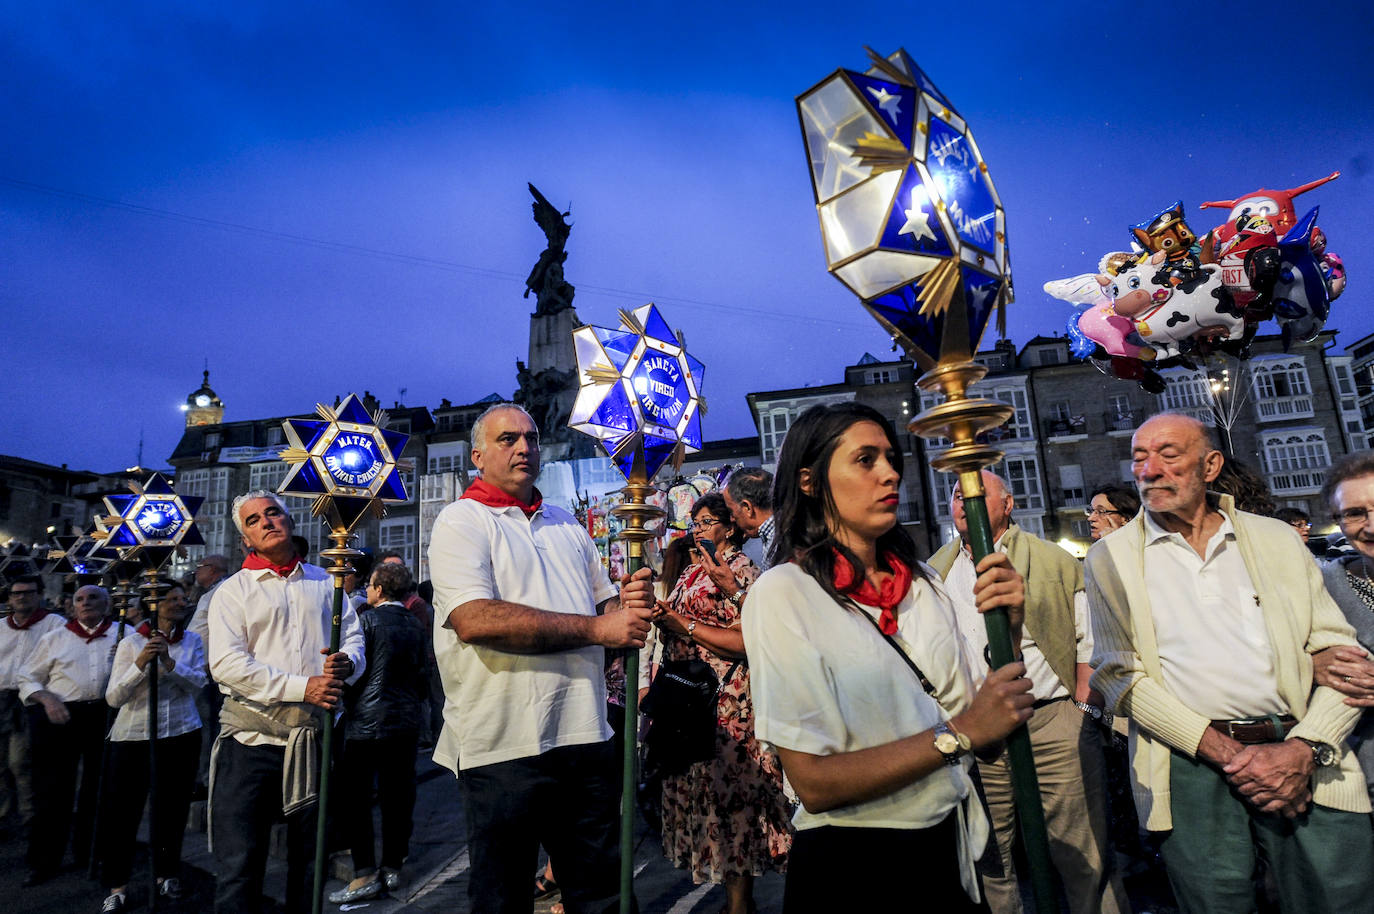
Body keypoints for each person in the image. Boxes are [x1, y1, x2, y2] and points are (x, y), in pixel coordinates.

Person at [742, 402, 1034, 911]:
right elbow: (814, 782)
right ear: (809, 481)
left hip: (950, 847)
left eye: (891, 458)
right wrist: (958, 734)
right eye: (865, 459)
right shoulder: (783, 593)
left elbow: (981, 734)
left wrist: (1006, 631)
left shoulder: (926, 584)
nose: (890, 472)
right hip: (856, 864)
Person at [1084, 412, 1374, 913]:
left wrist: (1303, 748)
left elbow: (1342, 659)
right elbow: (1117, 674)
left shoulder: (1275, 539)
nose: (1149, 470)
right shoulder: (1109, 557)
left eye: (1169, 455)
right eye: (1139, 458)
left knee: (1338, 897)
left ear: (1211, 464)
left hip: (1304, 754)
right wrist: (1227, 754)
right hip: (1190, 766)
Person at [427, 402, 655, 914]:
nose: (524, 447)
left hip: (585, 731)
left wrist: (633, 604)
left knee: (604, 894)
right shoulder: (461, 521)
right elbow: (476, 620)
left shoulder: (565, 523)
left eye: (530, 438)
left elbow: (607, 610)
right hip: (503, 742)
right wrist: (601, 627)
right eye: (508, 439)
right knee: (503, 896)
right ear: (478, 454)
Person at [928, 472, 1126, 914]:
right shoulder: (936, 569)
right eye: (958, 493)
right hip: (979, 729)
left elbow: (1087, 635)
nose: (965, 501)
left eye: (977, 493)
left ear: (1009, 503)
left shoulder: (1049, 559)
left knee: (1083, 848)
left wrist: (1079, 704)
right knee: (990, 854)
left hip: (1050, 719)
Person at [207, 490, 366, 914]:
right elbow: (226, 665)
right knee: (241, 863)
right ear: (246, 540)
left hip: (313, 742)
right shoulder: (233, 591)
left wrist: (350, 662)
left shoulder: (324, 581)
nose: (267, 522)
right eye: (254, 520)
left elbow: (352, 634)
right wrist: (303, 687)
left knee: (310, 861)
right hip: (251, 742)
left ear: (290, 520)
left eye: (273, 512)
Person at [651, 492, 791, 914]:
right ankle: (734, 900)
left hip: (727, 706)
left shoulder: (744, 571)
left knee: (732, 807)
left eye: (708, 520)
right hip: (690, 705)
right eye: (695, 521)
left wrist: (684, 625)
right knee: (706, 801)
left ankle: (739, 903)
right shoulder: (692, 570)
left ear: (730, 527)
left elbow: (749, 641)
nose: (698, 528)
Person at [98, 581, 206, 913]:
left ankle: (167, 872)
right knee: (123, 813)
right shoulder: (131, 642)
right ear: (154, 604)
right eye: (172, 599)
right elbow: (114, 697)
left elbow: (199, 684)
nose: (180, 603)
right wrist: (141, 663)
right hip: (134, 737)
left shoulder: (193, 641)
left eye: (182, 598)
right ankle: (117, 884)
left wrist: (172, 666)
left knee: (172, 810)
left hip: (180, 733)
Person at [329, 561, 430, 904]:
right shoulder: (416, 625)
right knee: (398, 797)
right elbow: (422, 674)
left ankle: (364, 872)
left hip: (365, 723)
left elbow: (355, 670)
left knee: (356, 798)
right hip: (405, 721)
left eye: (371, 585)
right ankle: (393, 865)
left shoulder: (366, 621)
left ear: (379, 589)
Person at [18, 584, 117, 885]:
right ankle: (45, 860)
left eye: (93, 598)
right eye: (80, 599)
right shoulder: (55, 638)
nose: (86, 603)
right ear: (72, 607)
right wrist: (47, 699)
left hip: (102, 714)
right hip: (60, 716)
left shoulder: (121, 636)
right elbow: (28, 677)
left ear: (108, 605)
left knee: (97, 790)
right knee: (53, 790)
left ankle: (90, 854)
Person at [1310, 452, 1374, 803]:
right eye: (1354, 513)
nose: (1371, 526)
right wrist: (1312, 666)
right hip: (1363, 782)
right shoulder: (1324, 586)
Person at [0, 574, 65, 832]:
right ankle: (4, 816)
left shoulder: (54, 624)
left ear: (39, 595)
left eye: (28, 592)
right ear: (10, 598)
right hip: (1, 698)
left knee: (22, 762)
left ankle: (30, 818)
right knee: (1, 764)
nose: (22, 597)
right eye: (17, 593)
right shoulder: (2, 626)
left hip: (32, 700)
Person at [187, 553, 229, 800]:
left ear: (212, 569)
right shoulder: (209, 592)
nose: (195, 571)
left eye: (199, 567)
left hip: (208, 673)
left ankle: (204, 780)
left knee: (207, 729)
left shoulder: (222, 591)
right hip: (197, 671)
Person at [723, 467, 776, 569]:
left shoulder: (780, 542)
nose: (732, 519)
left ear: (747, 508)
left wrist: (730, 585)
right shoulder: (775, 536)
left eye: (731, 511)